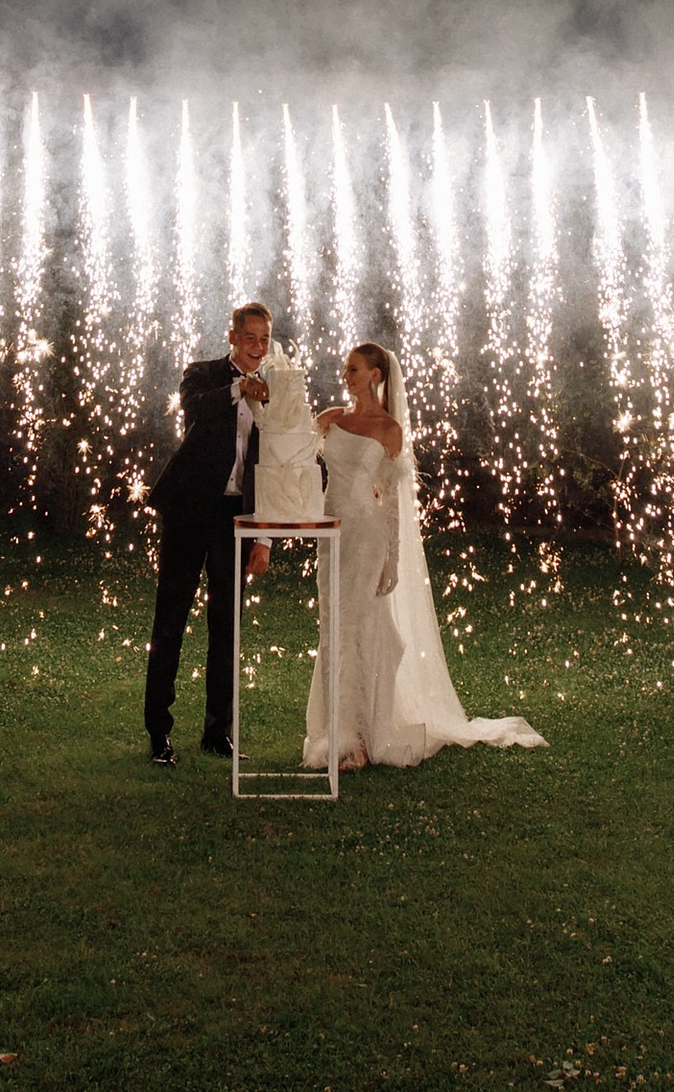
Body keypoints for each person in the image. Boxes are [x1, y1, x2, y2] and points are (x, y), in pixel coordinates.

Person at [305, 343, 547, 770]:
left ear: (376, 375)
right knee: (332, 622)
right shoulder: (332, 419)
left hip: (365, 535)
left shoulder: (389, 429)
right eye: (345, 369)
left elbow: (391, 502)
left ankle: (359, 738)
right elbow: (297, 459)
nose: (346, 376)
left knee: (357, 624)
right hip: (330, 532)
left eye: (354, 369)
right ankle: (338, 727)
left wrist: (392, 558)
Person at [144, 300, 298, 764]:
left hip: (236, 519)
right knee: (171, 619)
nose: (258, 347)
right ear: (233, 338)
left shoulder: (276, 389)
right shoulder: (203, 374)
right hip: (189, 511)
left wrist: (264, 537)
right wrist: (238, 388)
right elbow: (193, 409)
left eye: (265, 339)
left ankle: (218, 732)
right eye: (250, 338)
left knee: (227, 626)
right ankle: (158, 732)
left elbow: (279, 463)